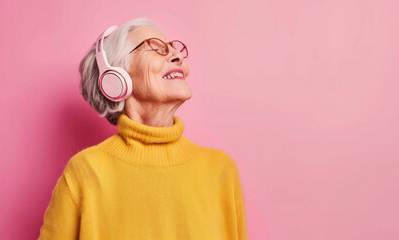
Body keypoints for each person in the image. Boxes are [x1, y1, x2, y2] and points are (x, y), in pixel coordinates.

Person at [38, 17, 248, 240]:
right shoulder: (85, 172)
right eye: (156, 48)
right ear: (116, 79)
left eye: (175, 49)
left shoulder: (220, 171)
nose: (177, 56)